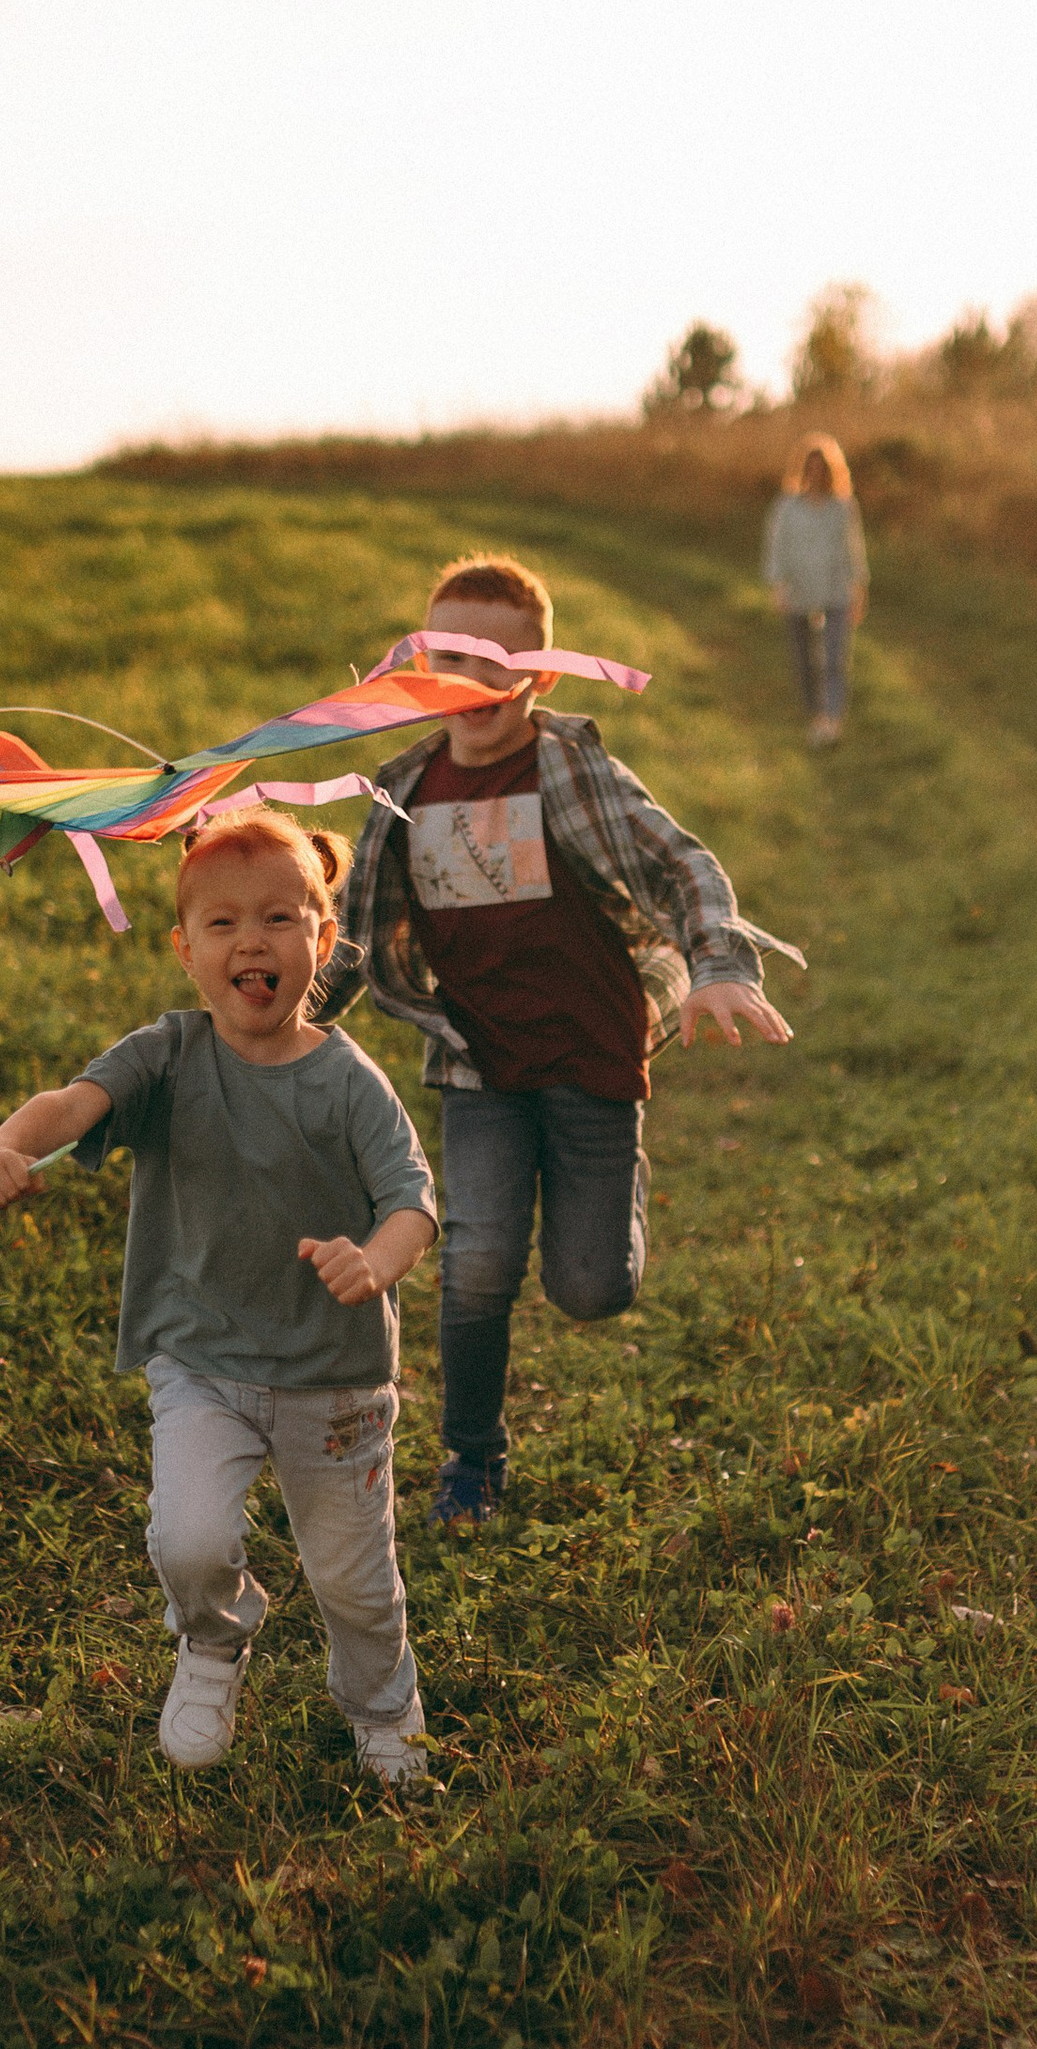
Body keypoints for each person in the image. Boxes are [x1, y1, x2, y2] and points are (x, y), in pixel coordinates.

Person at [321, 553, 797, 1529]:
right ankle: (469, 1463)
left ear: (537, 673)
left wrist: (718, 964)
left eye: (500, 659)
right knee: (478, 1260)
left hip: (592, 1059)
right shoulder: (403, 788)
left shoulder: (569, 765)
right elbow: (353, 935)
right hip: (479, 1066)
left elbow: (682, 865)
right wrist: (270, 1007)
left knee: (587, 1288)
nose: (476, 680)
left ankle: (612, 1201)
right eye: (452, 655)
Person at [0, 808, 439, 1782]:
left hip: (334, 1376)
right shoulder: (167, 1055)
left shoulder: (349, 1082)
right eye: (221, 924)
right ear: (186, 950)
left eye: (279, 916)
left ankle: (384, 1705)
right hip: (202, 1358)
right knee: (186, 1537)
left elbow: (412, 1202)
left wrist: (377, 1260)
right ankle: (214, 1641)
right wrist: (6, 1141)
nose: (250, 940)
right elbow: (72, 1104)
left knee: (354, 1581)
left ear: (324, 937)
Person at [760, 435, 869, 746]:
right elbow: (777, 548)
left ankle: (831, 721)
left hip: (836, 591)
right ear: (803, 470)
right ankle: (815, 714)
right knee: (804, 660)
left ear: (832, 472)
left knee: (834, 659)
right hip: (798, 592)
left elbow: (854, 552)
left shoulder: (844, 508)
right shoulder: (786, 508)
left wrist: (859, 589)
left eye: (823, 469)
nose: (816, 475)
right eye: (811, 468)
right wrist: (778, 585)